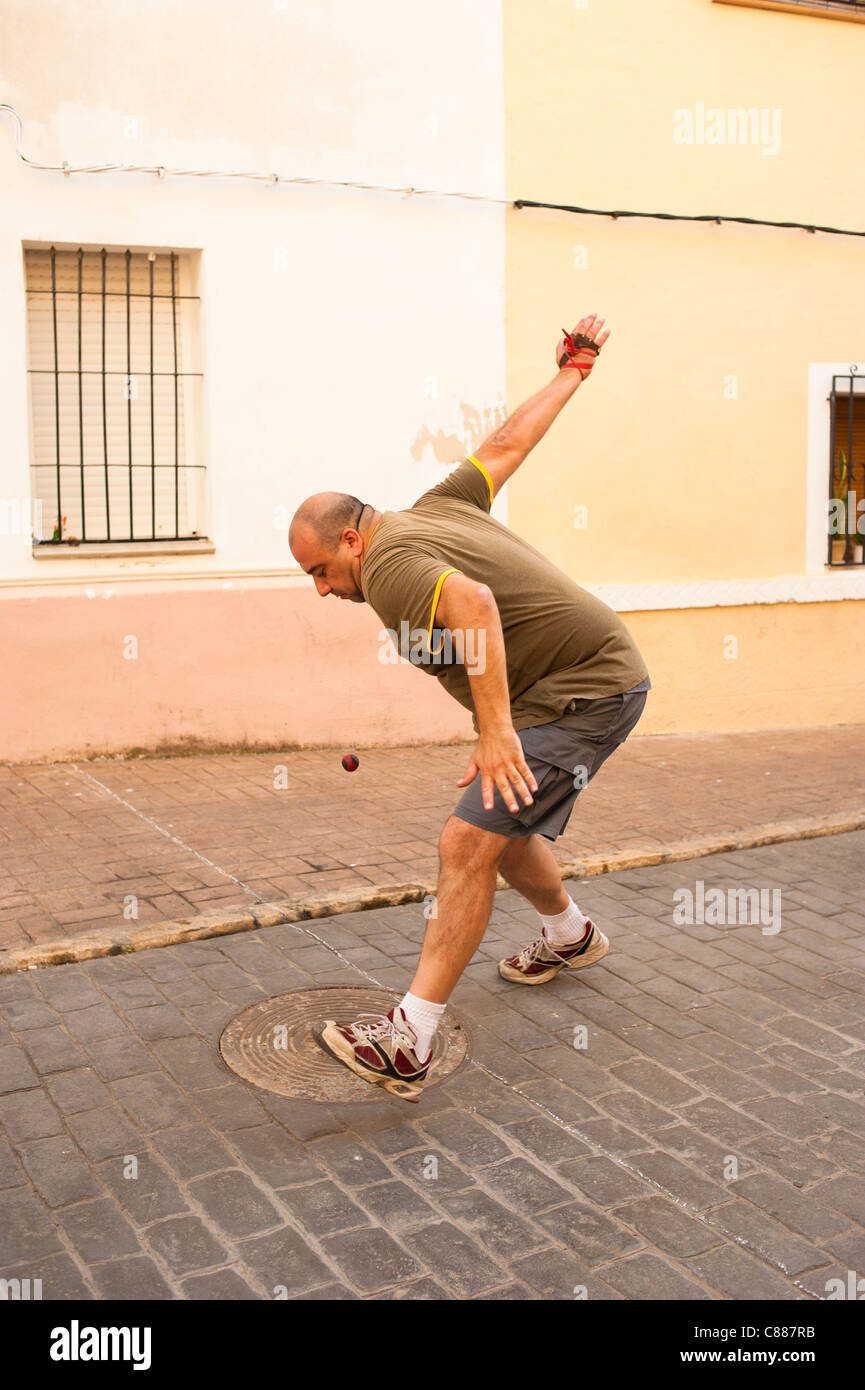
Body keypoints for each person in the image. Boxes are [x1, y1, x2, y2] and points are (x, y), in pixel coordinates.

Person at [289, 314, 651, 1101]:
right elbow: (506, 447)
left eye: (319, 570)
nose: (322, 590)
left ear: (350, 540)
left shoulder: (385, 565)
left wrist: (495, 734)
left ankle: (408, 1040)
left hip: (588, 689)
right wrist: (572, 371)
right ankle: (568, 934)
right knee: (501, 830)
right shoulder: (433, 507)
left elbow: (476, 605)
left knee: (464, 840)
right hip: (561, 689)